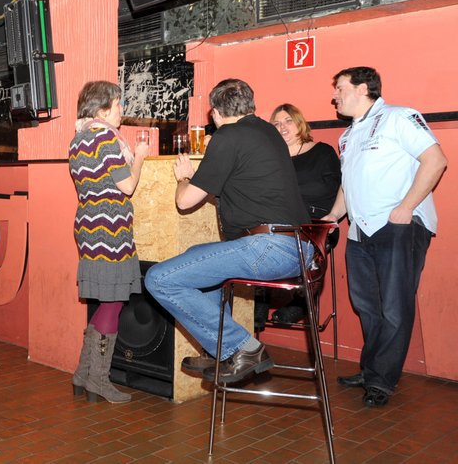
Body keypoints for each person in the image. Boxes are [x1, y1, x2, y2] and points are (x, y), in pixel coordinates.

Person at [144, 78, 311, 384]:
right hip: (299, 246)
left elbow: (185, 201)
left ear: (216, 114)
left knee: (159, 279)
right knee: (198, 255)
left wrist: (184, 177)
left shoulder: (228, 135)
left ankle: (243, 348)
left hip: (268, 248)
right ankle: (220, 349)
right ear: (251, 106)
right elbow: (243, 185)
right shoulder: (268, 132)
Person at [324, 66, 447, 408]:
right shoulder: (347, 136)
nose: (334, 96)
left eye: (340, 88)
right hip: (360, 231)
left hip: (398, 226)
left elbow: (436, 160)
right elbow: (349, 184)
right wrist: (334, 215)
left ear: (362, 89)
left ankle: (381, 380)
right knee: (367, 306)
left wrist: (406, 207)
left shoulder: (399, 117)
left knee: (393, 307)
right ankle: (372, 370)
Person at [68, 80, 149, 403]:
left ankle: (83, 374)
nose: (121, 111)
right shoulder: (105, 137)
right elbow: (127, 186)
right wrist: (139, 156)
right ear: (102, 110)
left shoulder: (79, 138)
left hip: (90, 225)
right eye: (117, 105)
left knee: (106, 301)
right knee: (112, 302)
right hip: (110, 229)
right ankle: (98, 381)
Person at [256, 104, 342, 327]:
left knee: (291, 238)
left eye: (288, 121)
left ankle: (302, 300)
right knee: (256, 235)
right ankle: (260, 298)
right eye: (276, 124)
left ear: (300, 124)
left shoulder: (322, 152)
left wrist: (287, 192)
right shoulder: (270, 158)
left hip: (316, 222)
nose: (282, 127)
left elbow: (329, 188)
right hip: (279, 222)